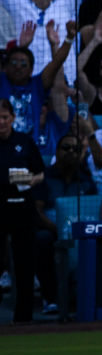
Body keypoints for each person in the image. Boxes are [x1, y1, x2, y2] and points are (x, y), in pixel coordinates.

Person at [0, 98, 45, 323]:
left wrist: (22, 178)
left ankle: (24, 319)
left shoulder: (24, 141)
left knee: (25, 265)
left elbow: (40, 173)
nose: (1, 122)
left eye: (5, 117)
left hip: (23, 208)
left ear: (12, 118)